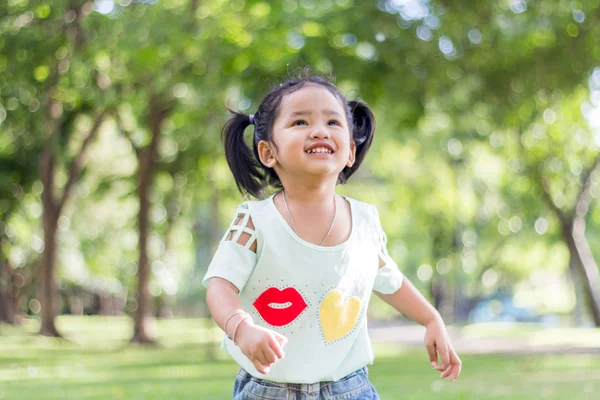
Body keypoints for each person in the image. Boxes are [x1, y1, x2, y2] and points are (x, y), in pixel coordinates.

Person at [203, 73, 462, 399]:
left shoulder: (365, 222)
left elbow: (390, 280)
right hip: (269, 390)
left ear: (350, 151)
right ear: (268, 152)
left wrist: (431, 319)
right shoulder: (255, 222)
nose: (320, 130)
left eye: (333, 122)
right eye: (299, 122)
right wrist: (242, 328)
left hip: (349, 387)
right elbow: (219, 284)